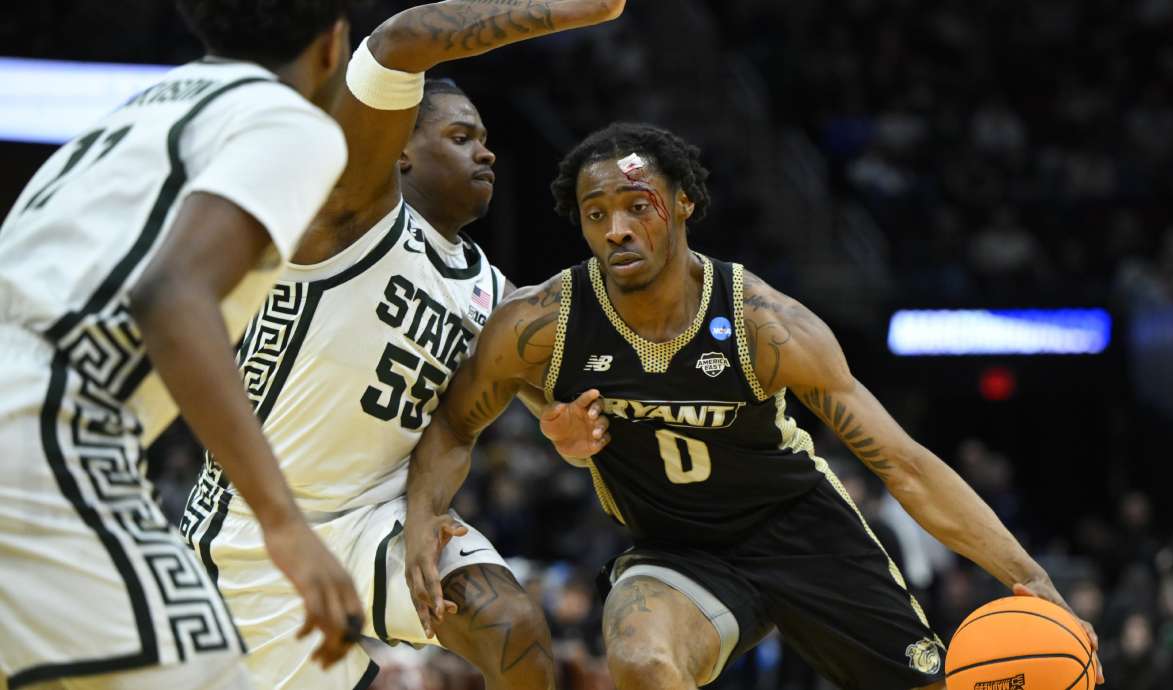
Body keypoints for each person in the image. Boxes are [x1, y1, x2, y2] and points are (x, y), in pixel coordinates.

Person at [400, 122, 1105, 690]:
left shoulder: (764, 325)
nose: (616, 228)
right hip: (676, 550)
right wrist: (424, 515)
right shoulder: (542, 324)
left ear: (683, 205)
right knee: (642, 661)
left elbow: (903, 465)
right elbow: (456, 423)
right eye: (596, 214)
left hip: (802, 531)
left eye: (636, 206)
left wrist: (1027, 575)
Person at [180, 3, 625, 687]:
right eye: (461, 134)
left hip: (381, 522)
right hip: (253, 535)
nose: (487, 150)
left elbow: (539, 402)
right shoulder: (345, 215)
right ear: (403, 151)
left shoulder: (491, 289)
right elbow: (397, 42)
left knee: (513, 630)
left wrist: (565, 429)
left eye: (485, 139)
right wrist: (562, 9)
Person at [0, 1, 365, 687]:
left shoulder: (132, 113)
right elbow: (171, 296)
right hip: (49, 425)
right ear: (333, 45)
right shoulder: (288, 121)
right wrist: (282, 521)